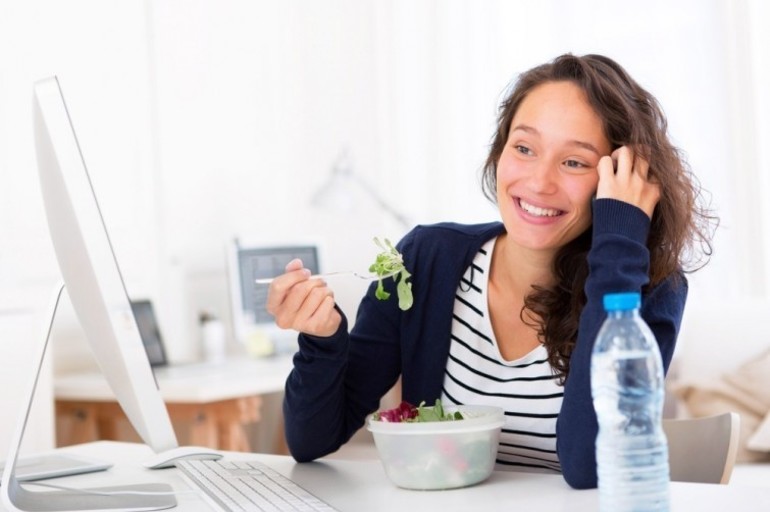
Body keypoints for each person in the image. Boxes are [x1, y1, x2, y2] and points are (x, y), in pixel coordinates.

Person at [265, 53, 716, 489]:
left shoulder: (649, 288)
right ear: (499, 153)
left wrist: (620, 242)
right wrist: (322, 340)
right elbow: (312, 441)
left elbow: (588, 466)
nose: (539, 182)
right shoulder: (426, 259)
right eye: (524, 148)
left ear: (618, 179)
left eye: (574, 161)